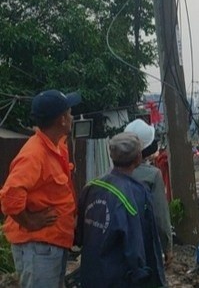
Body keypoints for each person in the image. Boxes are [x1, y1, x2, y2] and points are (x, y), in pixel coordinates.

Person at [0, 89, 80, 288]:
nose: (72, 117)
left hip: (51, 243)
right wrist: (29, 221)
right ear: (62, 119)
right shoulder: (35, 154)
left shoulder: (55, 146)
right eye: (69, 113)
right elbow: (10, 197)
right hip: (38, 246)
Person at [76, 132, 166, 288]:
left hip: (90, 273)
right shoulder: (135, 193)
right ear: (138, 158)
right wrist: (141, 273)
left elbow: (79, 235)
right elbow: (135, 244)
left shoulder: (91, 186)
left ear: (112, 156)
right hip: (117, 277)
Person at [124, 118, 174, 267]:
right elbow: (160, 216)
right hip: (144, 244)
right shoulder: (152, 175)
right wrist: (167, 246)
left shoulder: (110, 174)